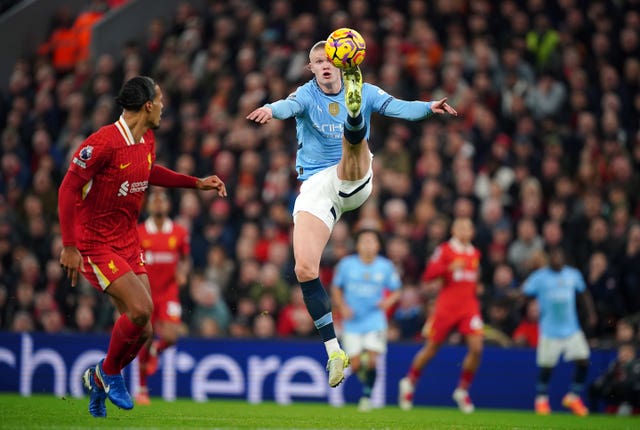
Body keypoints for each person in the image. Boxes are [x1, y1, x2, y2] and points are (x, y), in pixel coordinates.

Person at [246, 38, 456, 388]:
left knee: (352, 144)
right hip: (316, 186)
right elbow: (285, 105)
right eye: (317, 61)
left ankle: (355, 119)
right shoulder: (305, 95)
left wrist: (429, 106)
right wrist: (269, 108)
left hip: (354, 176)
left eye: (329, 59)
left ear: (343, 63)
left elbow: (400, 107)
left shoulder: (366, 89)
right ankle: (334, 351)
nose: (324, 64)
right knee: (304, 268)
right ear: (310, 69)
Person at [58, 76, 227, 418]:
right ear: (148, 105)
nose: (164, 107)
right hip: (96, 243)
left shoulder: (147, 140)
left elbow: (149, 172)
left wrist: (195, 183)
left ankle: (98, 377)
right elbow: (66, 189)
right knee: (138, 311)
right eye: (161, 100)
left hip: (127, 241)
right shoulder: (102, 143)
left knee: (145, 328)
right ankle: (107, 373)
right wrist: (69, 246)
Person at [399, 217, 482, 413]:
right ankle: (409, 382)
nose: (464, 231)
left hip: (469, 307)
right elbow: (428, 275)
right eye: (460, 227)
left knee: (477, 348)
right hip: (446, 307)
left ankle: (462, 390)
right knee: (431, 349)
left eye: (468, 228)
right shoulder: (445, 250)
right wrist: (447, 268)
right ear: (453, 230)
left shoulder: (475, 253)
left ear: (472, 232)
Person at [331, 229, 401, 411]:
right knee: (354, 365)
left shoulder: (385, 266)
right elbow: (336, 288)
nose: (368, 245)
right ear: (358, 245)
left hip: (374, 319)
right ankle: (361, 366)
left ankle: (366, 397)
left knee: (371, 360)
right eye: (364, 241)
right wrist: (342, 307)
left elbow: (396, 290)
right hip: (352, 322)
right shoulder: (347, 265)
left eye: (371, 242)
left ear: (378, 246)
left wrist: (388, 302)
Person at [522, 246, 597, 416]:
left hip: (572, 329)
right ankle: (541, 401)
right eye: (554, 256)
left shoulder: (573, 274)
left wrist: (591, 313)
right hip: (549, 330)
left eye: (559, 255)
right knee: (546, 367)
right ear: (549, 258)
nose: (557, 259)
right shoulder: (539, 277)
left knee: (584, 360)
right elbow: (524, 294)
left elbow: (584, 294)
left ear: (564, 258)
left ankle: (573, 396)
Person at [134, 188, 191, 405]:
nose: (158, 204)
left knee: (171, 336)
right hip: (146, 292)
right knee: (144, 339)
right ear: (148, 206)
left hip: (169, 291)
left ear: (168, 206)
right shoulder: (139, 232)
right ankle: (142, 389)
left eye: (162, 201)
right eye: (154, 201)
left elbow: (185, 258)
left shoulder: (179, 232)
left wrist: (183, 272)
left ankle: (156, 351)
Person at [589, 343, 640, 415]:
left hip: (630, 392)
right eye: (621, 352)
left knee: (625, 387)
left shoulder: (636, 364)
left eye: (625, 352)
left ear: (631, 353)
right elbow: (606, 376)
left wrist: (616, 383)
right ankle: (593, 412)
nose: (622, 354)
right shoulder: (615, 364)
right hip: (614, 389)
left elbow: (633, 380)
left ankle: (627, 407)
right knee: (594, 387)